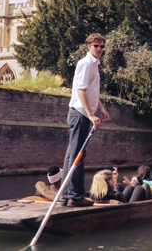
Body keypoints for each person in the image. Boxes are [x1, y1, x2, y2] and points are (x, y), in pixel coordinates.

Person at [62, 33, 110, 207]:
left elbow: (91, 92)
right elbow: (81, 91)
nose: (99, 49)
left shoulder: (94, 65)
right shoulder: (86, 63)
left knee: (73, 155)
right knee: (76, 155)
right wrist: (91, 115)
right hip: (79, 114)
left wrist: (101, 108)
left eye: (102, 46)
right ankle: (74, 196)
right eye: (96, 45)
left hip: (83, 114)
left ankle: (66, 196)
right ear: (88, 45)